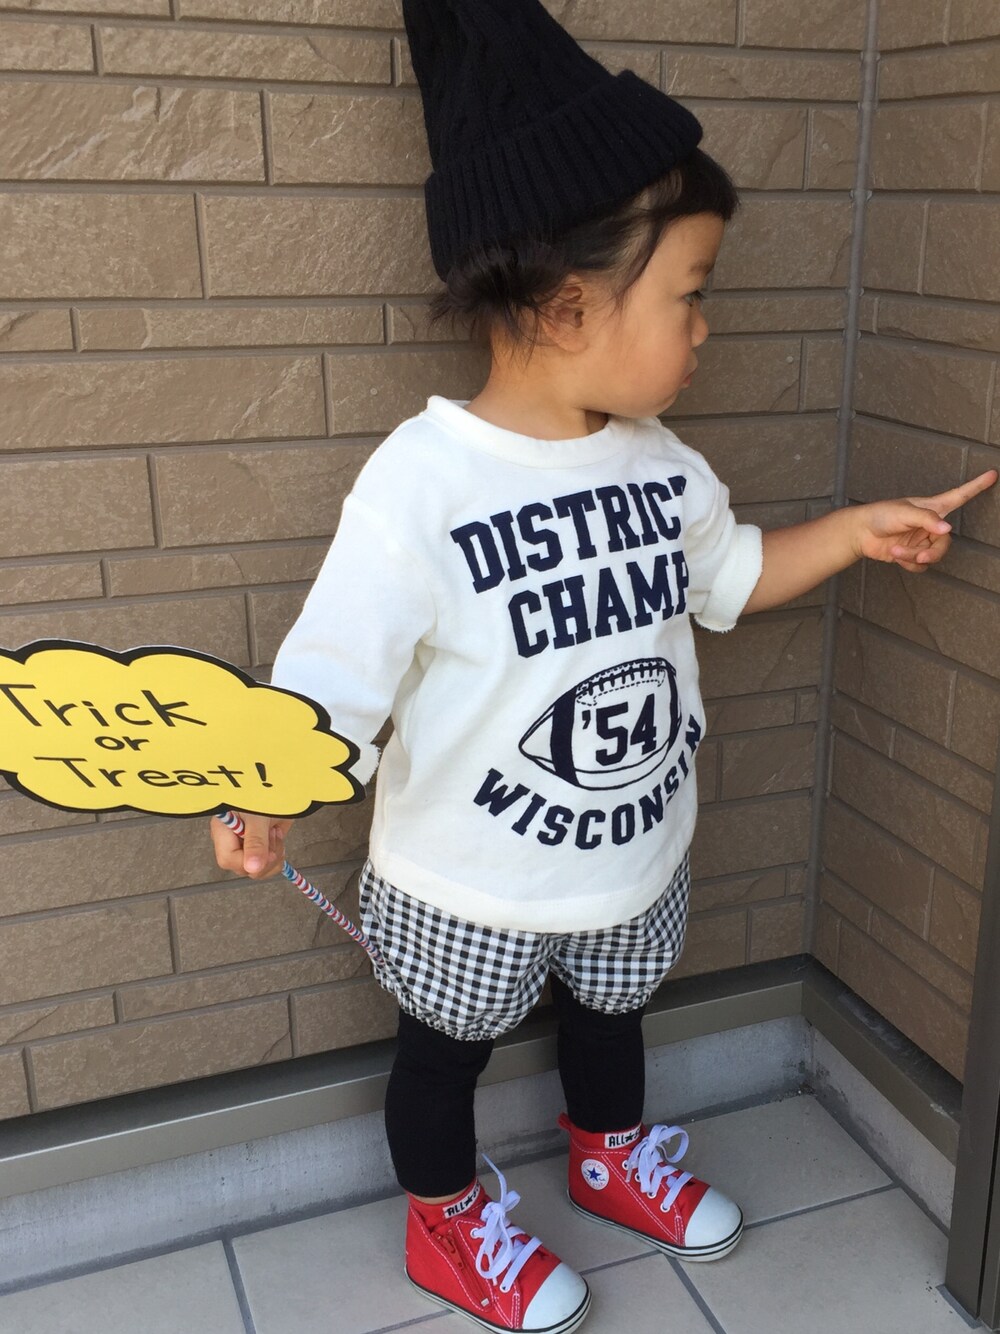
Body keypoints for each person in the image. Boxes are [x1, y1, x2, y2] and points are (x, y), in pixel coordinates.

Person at [210, 3, 998, 1330]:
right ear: (568, 304)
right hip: (467, 876)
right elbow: (336, 670)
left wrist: (855, 533)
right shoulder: (424, 483)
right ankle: (445, 1225)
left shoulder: (663, 467)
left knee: (613, 1016)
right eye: (690, 294)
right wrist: (264, 785)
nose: (705, 329)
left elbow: (731, 576)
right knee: (442, 1055)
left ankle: (608, 1153)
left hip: (630, 848)